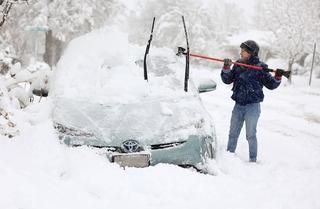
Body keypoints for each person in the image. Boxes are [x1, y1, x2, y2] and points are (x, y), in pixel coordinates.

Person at [221, 40, 282, 162]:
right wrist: (226, 68)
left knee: (250, 135)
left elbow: (271, 85)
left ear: (251, 53)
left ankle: (253, 160)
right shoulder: (238, 64)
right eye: (241, 51)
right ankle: (229, 157)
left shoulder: (260, 68)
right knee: (233, 133)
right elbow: (227, 80)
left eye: (243, 51)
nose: (241, 53)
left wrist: (278, 76)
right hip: (238, 105)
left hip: (252, 107)